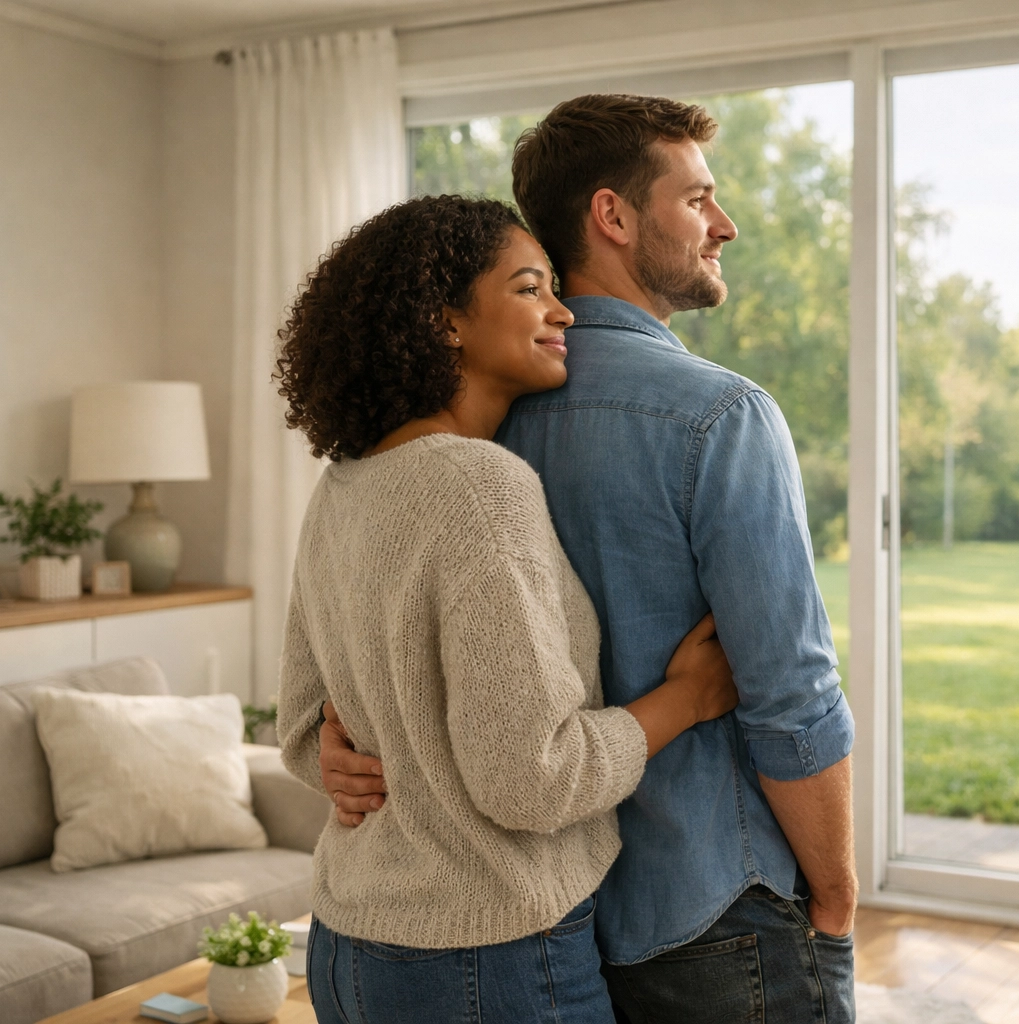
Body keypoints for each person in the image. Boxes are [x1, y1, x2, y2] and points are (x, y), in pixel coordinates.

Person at [322, 94, 858, 1022]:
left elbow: (372, 634)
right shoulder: (719, 416)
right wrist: (840, 893)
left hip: (540, 927)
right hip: (706, 908)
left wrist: (339, 737)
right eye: (698, 199)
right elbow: (791, 693)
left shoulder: (444, 423)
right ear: (612, 215)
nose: (724, 226)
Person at [274, 195, 739, 1024]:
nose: (563, 310)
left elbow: (305, 731)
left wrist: (334, 764)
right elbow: (533, 781)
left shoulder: (343, 481)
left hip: (346, 950)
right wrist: (688, 699)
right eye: (529, 289)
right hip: (482, 962)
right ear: (444, 321)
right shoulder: (479, 487)